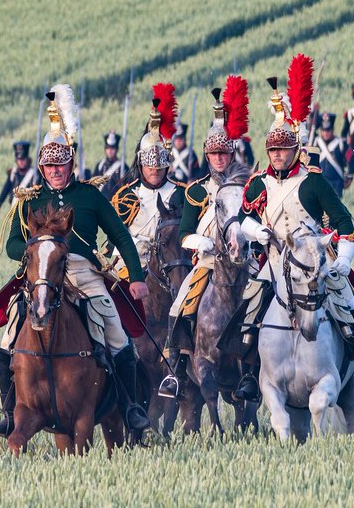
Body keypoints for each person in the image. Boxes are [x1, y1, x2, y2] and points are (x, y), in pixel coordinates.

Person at [0, 83, 151, 438]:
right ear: (42, 167)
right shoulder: (27, 200)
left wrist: (135, 276)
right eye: (49, 165)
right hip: (40, 273)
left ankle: (129, 406)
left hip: (82, 271)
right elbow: (13, 243)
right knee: (8, 333)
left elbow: (121, 236)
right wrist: (36, 249)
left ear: (71, 163)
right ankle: (8, 410)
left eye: (61, 164)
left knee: (115, 330)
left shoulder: (90, 196)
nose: (56, 170)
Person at [229, 68, 354, 402]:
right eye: (273, 150)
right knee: (248, 308)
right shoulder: (258, 182)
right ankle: (246, 375)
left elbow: (347, 224)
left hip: (312, 260)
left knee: (347, 299)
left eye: (283, 150)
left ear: (295, 150)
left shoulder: (314, 181)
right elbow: (243, 217)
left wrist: (343, 259)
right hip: (273, 260)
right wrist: (258, 230)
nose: (278, 155)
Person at [165, 79, 249, 379]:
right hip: (208, 263)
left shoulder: (247, 188)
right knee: (179, 305)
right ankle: (175, 370)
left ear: (232, 155)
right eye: (214, 154)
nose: (219, 158)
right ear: (207, 155)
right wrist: (201, 241)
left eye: (224, 154)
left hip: (244, 261)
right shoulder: (196, 192)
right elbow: (184, 233)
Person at [109, 87, 186, 279]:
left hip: (172, 264)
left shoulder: (180, 193)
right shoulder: (126, 196)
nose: (154, 170)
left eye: (159, 166)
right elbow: (115, 238)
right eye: (150, 165)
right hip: (133, 266)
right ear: (141, 163)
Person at [313, 113, 354, 197]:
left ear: (332, 130)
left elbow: (352, 160)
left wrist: (349, 177)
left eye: (328, 130)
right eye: (324, 131)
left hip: (336, 183)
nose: (326, 133)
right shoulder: (315, 143)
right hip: (319, 182)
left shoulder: (341, 143)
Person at [0, 141, 37, 214]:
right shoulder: (13, 173)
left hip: (30, 212)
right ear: (16, 160)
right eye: (19, 159)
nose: (21, 162)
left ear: (27, 159)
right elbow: (6, 189)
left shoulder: (34, 174)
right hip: (15, 211)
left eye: (23, 159)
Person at [92, 131, 126, 199]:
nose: (110, 151)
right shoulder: (100, 165)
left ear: (116, 149)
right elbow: (93, 185)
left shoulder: (123, 167)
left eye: (112, 148)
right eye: (108, 148)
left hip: (116, 204)